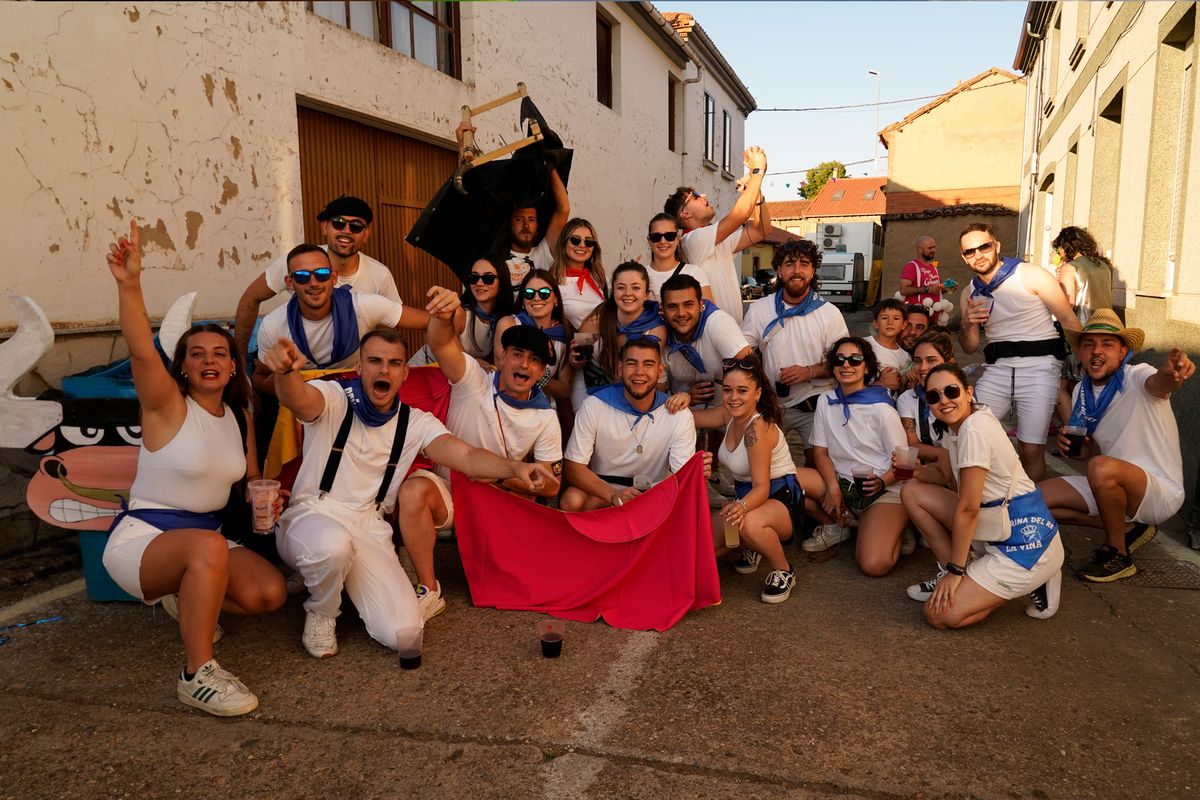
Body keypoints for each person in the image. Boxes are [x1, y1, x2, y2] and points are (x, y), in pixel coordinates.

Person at [264, 327, 553, 658]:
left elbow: (468, 457)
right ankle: (322, 609)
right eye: (374, 361)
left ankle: (332, 578)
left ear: (404, 372)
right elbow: (297, 398)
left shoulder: (416, 423)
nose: (384, 370)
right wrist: (286, 373)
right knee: (332, 546)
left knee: (405, 634)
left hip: (369, 526)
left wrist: (515, 468)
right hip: (313, 514)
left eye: (394, 363)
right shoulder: (333, 397)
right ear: (359, 367)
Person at [101, 220, 285, 717]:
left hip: (207, 540)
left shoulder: (240, 415)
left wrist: (265, 495)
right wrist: (130, 285)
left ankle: (184, 595)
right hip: (144, 539)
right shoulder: (167, 406)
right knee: (206, 547)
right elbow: (142, 349)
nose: (209, 361)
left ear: (232, 367)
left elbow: (248, 482)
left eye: (220, 354)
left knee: (269, 594)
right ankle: (196, 672)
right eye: (197, 354)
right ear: (182, 366)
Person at [404, 289, 563, 616]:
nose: (524, 364)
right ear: (502, 356)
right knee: (413, 490)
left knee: (538, 587)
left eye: (535, 360)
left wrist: (502, 480)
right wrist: (443, 316)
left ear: (541, 372)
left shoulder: (546, 417)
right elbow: (441, 343)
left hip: (499, 503)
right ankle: (428, 588)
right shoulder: (472, 379)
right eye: (518, 354)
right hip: (450, 492)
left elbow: (551, 486)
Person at [901, 364, 1064, 628]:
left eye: (951, 391)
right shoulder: (958, 425)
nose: (943, 400)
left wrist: (956, 573)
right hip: (996, 524)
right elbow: (944, 477)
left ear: (968, 392)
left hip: (1025, 543)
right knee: (912, 492)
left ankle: (1035, 579)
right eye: (933, 396)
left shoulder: (974, 430)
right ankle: (964, 569)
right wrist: (918, 473)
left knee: (939, 615)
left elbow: (968, 509)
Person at [1039, 311, 1194, 582]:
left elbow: (1161, 383)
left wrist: (1174, 375)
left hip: (1159, 490)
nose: (1097, 351)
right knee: (1030, 502)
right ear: (1080, 353)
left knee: (1100, 468)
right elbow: (1085, 451)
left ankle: (1117, 553)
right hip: (1111, 484)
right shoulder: (1081, 392)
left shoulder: (1136, 376)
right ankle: (1128, 526)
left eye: (1107, 344)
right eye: (1089, 344)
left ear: (1123, 352)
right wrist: (1072, 446)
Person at [669, 355, 826, 604]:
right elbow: (690, 418)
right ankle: (751, 545)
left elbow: (762, 488)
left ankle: (784, 570)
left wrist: (740, 507)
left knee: (748, 524)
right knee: (702, 544)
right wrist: (686, 398)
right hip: (748, 498)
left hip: (779, 500)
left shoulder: (758, 428)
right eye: (728, 390)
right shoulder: (728, 414)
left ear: (757, 393)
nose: (734, 397)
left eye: (742, 391)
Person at [957, 222, 1081, 482]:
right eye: (970, 251)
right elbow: (969, 348)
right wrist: (967, 322)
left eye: (984, 247)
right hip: (998, 369)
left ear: (997, 246)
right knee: (969, 427)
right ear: (964, 257)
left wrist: (1088, 366)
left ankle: (1032, 507)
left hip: (1040, 367)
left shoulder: (1030, 274)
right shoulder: (970, 292)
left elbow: (1069, 321)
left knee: (1031, 447)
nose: (978, 254)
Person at [235, 195, 399, 361]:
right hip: (301, 371)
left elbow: (389, 330)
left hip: (354, 375)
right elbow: (250, 299)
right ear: (324, 227)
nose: (346, 231)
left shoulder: (380, 275)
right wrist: (239, 362)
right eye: (338, 223)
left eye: (356, 226)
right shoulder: (296, 262)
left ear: (366, 234)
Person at [251, 245, 429, 395]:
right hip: (300, 405)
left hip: (356, 399)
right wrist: (285, 376)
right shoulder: (273, 325)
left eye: (321, 273)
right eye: (302, 276)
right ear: (289, 283)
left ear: (334, 278)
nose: (313, 283)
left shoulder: (363, 306)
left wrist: (450, 310)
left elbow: (429, 322)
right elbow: (259, 379)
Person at [807, 337, 911, 575]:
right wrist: (833, 488)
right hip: (842, 485)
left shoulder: (882, 409)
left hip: (882, 490)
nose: (847, 365)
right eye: (840, 360)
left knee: (874, 565)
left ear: (867, 367)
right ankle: (835, 523)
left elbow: (905, 463)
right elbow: (820, 452)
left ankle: (897, 526)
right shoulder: (826, 400)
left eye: (855, 360)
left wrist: (883, 481)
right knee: (786, 480)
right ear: (833, 366)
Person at [741, 238, 848, 468]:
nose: (797, 271)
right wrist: (760, 380)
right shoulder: (760, 309)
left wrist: (808, 372)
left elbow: (843, 363)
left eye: (804, 264)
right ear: (779, 270)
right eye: (790, 264)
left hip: (813, 405)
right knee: (763, 467)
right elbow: (743, 354)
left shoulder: (829, 313)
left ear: (813, 270)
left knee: (819, 467)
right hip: (771, 404)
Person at [561, 339, 698, 511]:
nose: (639, 372)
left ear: (660, 371)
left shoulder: (678, 414)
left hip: (654, 489)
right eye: (631, 364)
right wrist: (613, 494)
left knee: (684, 502)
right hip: (605, 485)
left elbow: (683, 477)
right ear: (620, 369)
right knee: (571, 501)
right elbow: (573, 467)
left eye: (648, 364)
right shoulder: (594, 405)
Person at [455, 121, 571, 288]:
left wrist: (548, 164)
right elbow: (470, 199)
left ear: (538, 224)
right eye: (519, 219)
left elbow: (563, 209)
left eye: (531, 219)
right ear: (509, 223)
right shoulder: (492, 254)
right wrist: (463, 146)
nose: (526, 224)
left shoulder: (544, 253)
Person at [665, 146, 772, 322]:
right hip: (712, 336)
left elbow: (761, 231)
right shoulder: (691, 240)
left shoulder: (714, 238)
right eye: (696, 196)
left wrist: (756, 191)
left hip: (730, 333)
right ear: (685, 214)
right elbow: (740, 214)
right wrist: (758, 172)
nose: (704, 195)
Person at [570, 261, 667, 411]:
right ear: (613, 291)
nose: (628, 293)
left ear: (646, 294)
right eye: (621, 288)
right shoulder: (595, 321)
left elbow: (646, 371)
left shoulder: (655, 329)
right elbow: (580, 362)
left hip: (634, 390)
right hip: (590, 388)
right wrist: (575, 358)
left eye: (635, 288)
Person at [661, 274, 751, 408]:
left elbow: (752, 374)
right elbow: (656, 396)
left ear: (701, 304)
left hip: (729, 413)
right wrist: (686, 397)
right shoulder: (660, 335)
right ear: (662, 309)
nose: (681, 313)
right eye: (672, 307)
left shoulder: (718, 324)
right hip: (679, 415)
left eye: (688, 305)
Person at [408, 256, 515, 367]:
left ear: (502, 281)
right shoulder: (459, 313)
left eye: (488, 278)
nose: (479, 283)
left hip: (456, 378)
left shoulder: (504, 320)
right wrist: (475, 362)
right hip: (427, 369)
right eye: (474, 277)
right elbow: (451, 352)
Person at [494, 269, 572, 403]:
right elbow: (501, 367)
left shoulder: (563, 336)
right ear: (523, 301)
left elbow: (564, 390)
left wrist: (541, 377)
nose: (537, 298)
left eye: (544, 293)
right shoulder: (508, 325)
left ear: (556, 300)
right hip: (505, 401)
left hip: (541, 407)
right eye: (529, 294)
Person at [897, 331, 957, 461]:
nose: (922, 368)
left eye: (931, 360)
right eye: (918, 361)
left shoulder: (959, 396)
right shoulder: (907, 399)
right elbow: (913, 445)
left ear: (949, 363)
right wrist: (950, 456)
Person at [550, 217, 608, 330]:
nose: (582, 245)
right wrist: (583, 340)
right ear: (564, 242)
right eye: (575, 240)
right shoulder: (551, 281)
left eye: (589, 241)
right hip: (573, 345)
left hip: (604, 345)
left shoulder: (601, 278)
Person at [1051, 226, 1114, 329]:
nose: (1059, 253)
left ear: (1066, 246)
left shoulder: (1070, 268)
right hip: (1107, 326)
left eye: (1059, 248)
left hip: (1081, 329)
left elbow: (1067, 306)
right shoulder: (1104, 265)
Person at [644, 212, 713, 302]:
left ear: (678, 239)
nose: (663, 241)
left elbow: (709, 312)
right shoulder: (640, 276)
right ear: (649, 241)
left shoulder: (694, 273)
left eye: (670, 236)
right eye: (656, 237)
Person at [866, 298, 909, 393]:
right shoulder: (864, 345)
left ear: (904, 325)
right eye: (884, 318)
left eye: (896, 318)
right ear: (875, 323)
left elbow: (900, 384)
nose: (890, 322)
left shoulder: (905, 356)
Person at [898, 235, 944, 308]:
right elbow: (903, 290)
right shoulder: (912, 267)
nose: (933, 250)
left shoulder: (933, 267)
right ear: (920, 250)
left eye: (934, 247)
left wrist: (946, 288)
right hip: (917, 314)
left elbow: (935, 290)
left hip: (935, 313)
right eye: (930, 248)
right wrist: (927, 289)